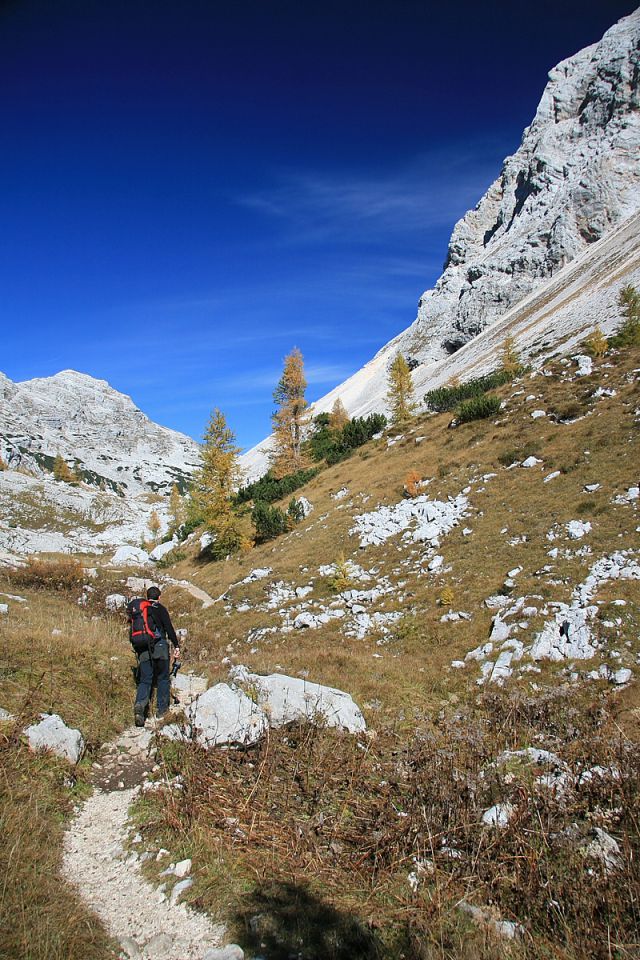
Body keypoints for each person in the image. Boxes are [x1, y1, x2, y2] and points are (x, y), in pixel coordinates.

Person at [133, 585, 180, 727]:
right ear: (159, 597)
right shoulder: (161, 609)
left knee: (145, 680)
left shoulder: (141, 610)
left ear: (147, 597)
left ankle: (140, 707)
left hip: (143, 648)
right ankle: (162, 710)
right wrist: (176, 645)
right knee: (163, 678)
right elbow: (169, 628)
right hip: (160, 647)